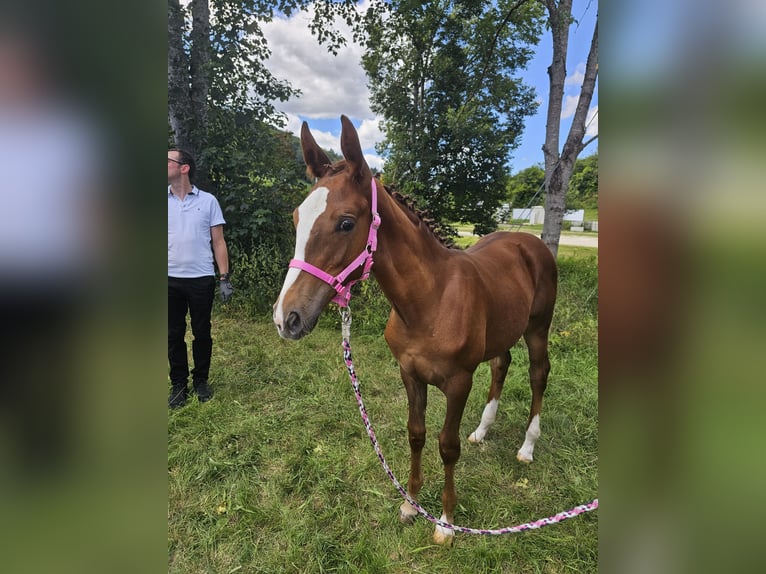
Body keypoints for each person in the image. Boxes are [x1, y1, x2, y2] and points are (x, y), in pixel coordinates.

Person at [168, 148, 233, 408]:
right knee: (172, 334)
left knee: (202, 332)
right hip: (168, 278)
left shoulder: (208, 201)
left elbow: (218, 242)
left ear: (184, 168)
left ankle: (201, 381)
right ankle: (178, 385)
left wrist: (224, 277)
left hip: (201, 278)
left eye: (167, 161)